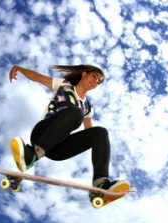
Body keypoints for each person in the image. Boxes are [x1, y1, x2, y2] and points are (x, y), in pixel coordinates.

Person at [8, 64, 129, 192]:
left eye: (98, 82)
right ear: (84, 74)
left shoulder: (88, 108)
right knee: (76, 113)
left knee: (100, 132)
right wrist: (19, 68)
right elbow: (38, 77)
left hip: (58, 150)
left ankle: (100, 183)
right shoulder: (64, 85)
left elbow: (90, 135)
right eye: (94, 77)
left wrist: (101, 153)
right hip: (42, 134)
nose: (95, 82)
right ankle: (31, 155)